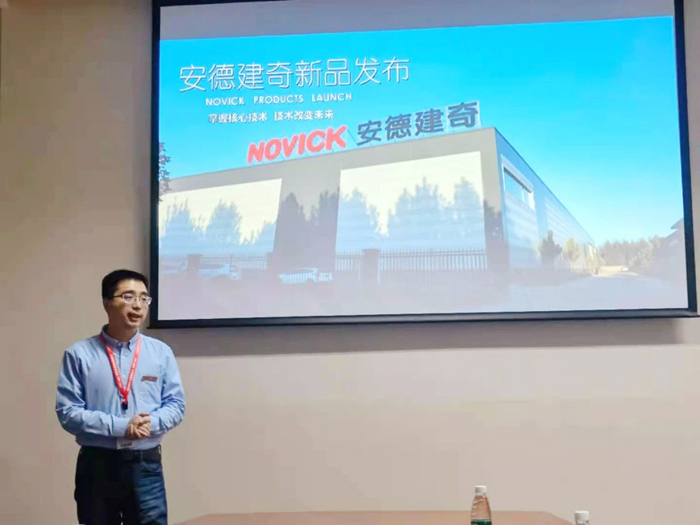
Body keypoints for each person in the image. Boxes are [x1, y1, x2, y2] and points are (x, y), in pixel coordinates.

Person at [56, 269, 185, 524]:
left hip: (145, 465)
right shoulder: (79, 354)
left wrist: (150, 423)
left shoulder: (161, 353)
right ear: (107, 303)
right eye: (128, 296)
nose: (137, 305)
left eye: (144, 298)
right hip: (97, 464)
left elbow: (176, 404)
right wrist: (122, 427)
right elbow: (68, 413)